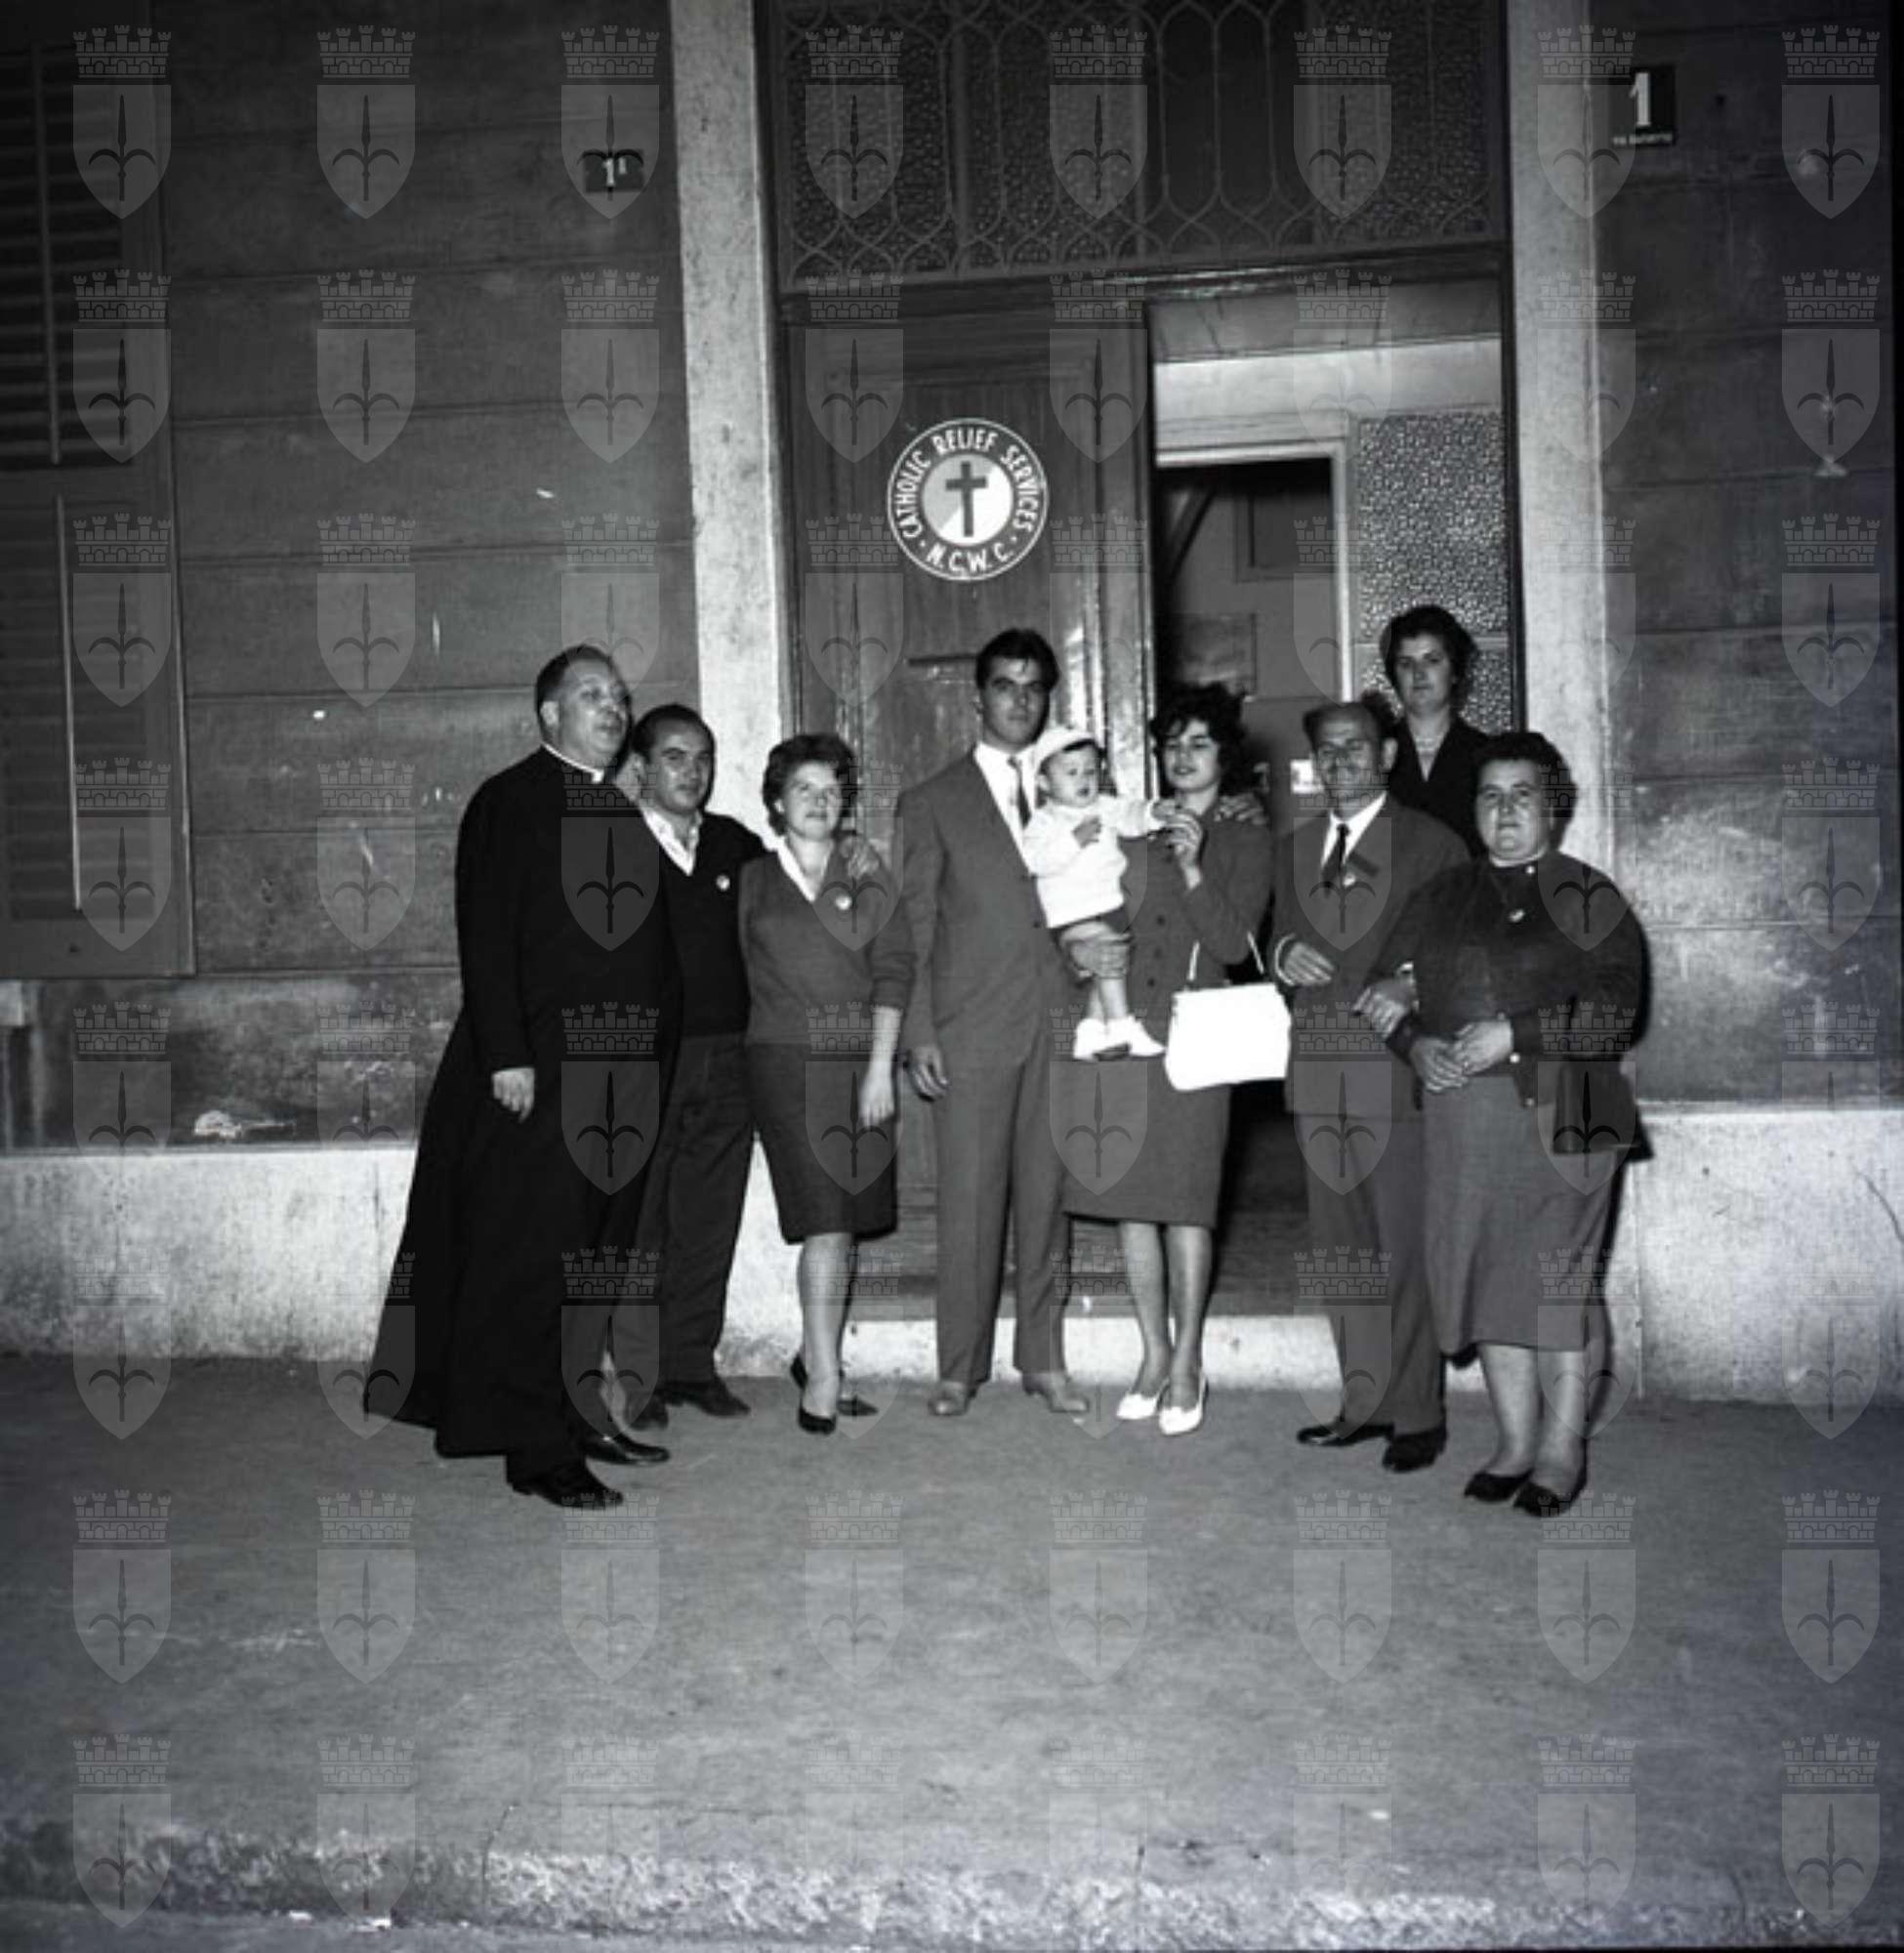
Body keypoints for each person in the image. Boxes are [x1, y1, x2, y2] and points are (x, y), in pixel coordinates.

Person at [363, 648, 676, 1509]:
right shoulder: (507, 801)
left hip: (619, 1079)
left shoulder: (618, 808)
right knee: (535, 1263)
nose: (613, 709)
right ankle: (538, 1452)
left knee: (593, 1262)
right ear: (548, 716)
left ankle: (577, 1414)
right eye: (591, 695)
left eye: (619, 697)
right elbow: (486, 933)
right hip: (539, 1075)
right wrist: (507, 1055)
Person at [1358, 732, 1642, 1516]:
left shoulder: (1590, 894)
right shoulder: (1441, 895)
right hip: (1466, 1117)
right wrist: (1414, 1046)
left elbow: (1617, 1014)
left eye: (1523, 796)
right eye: (1490, 796)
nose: (1506, 811)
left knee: (1557, 1284)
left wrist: (1514, 1035)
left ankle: (1561, 1451)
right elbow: (1380, 992)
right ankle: (1516, 1442)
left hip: (1575, 1107)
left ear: (1554, 807)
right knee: (1486, 1276)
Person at [1059, 685, 1275, 1435]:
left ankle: (1187, 1362)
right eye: (1172, 744)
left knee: (1186, 1204)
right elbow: (1085, 909)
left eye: (1199, 744)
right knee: (1132, 1203)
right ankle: (1151, 1353)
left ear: (1225, 756)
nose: (1182, 757)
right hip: (1125, 1030)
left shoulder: (1247, 838)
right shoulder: (1134, 829)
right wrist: (1080, 950)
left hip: (1199, 1033)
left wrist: (1193, 868)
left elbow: (1231, 946)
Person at [1269, 699, 1469, 1473]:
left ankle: (1417, 1411)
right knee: (1342, 1251)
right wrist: (1284, 957)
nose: (1341, 760)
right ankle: (1364, 1402)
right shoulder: (1294, 849)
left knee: (1402, 1248)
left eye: (1356, 746)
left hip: (1394, 1070)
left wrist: (1413, 985)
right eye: (1327, 749)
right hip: (1318, 1073)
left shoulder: (1432, 842)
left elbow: (1460, 950)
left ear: (1387, 754)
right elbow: (1278, 940)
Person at [898, 629, 1091, 1419]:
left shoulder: (1073, 787)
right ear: (978, 696)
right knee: (970, 1202)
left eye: (1034, 685)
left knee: (1047, 1200)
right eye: (1005, 685)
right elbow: (915, 925)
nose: (1020, 699)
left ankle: (1044, 1359)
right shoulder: (932, 801)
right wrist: (919, 1029)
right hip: (970, 1028)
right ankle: (958, 1368)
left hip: (1059, 1020)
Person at [736, 732, 913, 1433]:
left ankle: (817, 1356)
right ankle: (825, 1377)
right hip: (783, 1066)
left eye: (832, 790)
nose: (818, 800)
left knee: (846, 1222)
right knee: (824, 1219)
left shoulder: (869, 871)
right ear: (777, 801)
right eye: (803, 788)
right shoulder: (750, 879)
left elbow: (894, 971)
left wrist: (880, 1070)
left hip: (859, 1065)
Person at [614, 703, 765, 1427]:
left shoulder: (735, 843)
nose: (692, 771)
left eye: (703, 757)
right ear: (640, 767)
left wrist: (850, 856)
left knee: (709, 1218)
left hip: (728, 1057)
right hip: (643, 1062)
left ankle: (690, 1366)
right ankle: (639, 1378)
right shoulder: (608, 844)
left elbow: (793, 901)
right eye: (675, 757)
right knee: (639, 1224)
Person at [1021, 722, 1169, 1060]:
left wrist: (1153, 813)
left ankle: (1089, 1030)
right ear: (1044, 783)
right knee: (1109, 954)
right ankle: (1122, 1025)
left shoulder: (1104, 806)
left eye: (1090, 770)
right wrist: (1074, 841)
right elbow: (1033, 861)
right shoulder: (1045, 821)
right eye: (1071, 772)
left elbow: (1130, 816)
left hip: (1111, 905)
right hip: (1070, 913)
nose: (1083, 779)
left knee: (1107, 969)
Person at [1377, 603, 1491, 857]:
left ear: (1455, 672)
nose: (1418, 674)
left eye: (1432, 661)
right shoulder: (1371, 754)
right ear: (1394, 676)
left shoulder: (1487, 754)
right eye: (1406, 663)